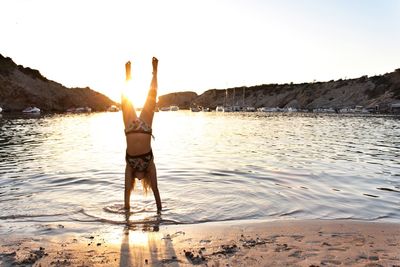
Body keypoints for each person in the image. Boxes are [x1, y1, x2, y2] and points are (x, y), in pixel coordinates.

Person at [122, 57, 162, 211]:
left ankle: (128, 77)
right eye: (140, 180)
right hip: (144, 127)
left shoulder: (130, 167)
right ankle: (155, 73)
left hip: (131, 127)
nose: (138, 180)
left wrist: (160, 215)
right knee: (152, 96)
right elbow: (156, 192)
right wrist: (160, 213)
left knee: (125, 99)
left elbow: (127, 192)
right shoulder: (149, 165)